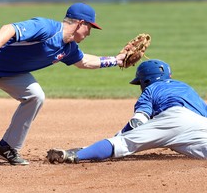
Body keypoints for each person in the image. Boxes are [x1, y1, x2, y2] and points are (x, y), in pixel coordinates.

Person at [0, 3, 127, 165]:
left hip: (9, 72)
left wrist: (116, 60)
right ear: (80, 23)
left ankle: (7, 147)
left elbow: (84, 62)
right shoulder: (47, 28)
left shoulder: (69, 47)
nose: (89, 32)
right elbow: (8, 29)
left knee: (35, 96)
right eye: (90, 27)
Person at [47, 59, 207, 164]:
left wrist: (120, 135)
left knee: (122, 143)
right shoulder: (187, 88)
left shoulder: (150, 90)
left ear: (145, 81)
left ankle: (73, 155)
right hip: (200, 123)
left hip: (172, 120)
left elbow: (138, 122)